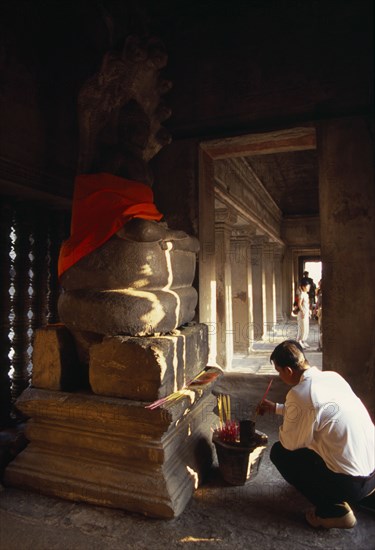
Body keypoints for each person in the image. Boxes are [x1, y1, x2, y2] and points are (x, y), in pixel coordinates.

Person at [258, 340, 375, 529]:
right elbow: (318, 409)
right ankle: (363, 496)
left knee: (280, 453)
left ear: (288, 371)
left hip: (351, 484)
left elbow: (290, 444)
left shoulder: (300, 393)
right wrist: (279, 409)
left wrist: (292, 425)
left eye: (279, 371)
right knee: (321, 437)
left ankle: (334, 511)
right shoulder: (332, 377)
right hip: (372, 473)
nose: (280, 376)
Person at [296, 279, 310, 349]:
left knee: (306, 327)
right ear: (303, 287)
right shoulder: (301, 294)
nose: (309, 287)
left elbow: (307, 304)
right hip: (302, 313)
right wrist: (302, 311)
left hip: (306, 313)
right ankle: (299, 341)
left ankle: (303, 340)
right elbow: (299, 304)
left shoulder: (306, 294)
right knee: (302, 328)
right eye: (307, 286)